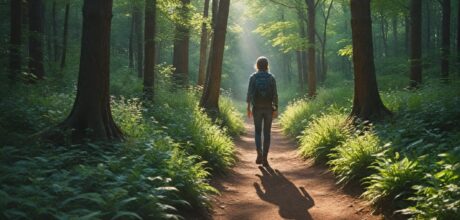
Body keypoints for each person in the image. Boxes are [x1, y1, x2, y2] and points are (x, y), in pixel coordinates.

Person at [246, 56, 278, 167]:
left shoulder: (253, 77)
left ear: (257, 65)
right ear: (267, 65)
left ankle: (259, 152)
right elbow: (275, 94)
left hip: (257, 108)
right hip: (269, 108)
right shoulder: (271, 77)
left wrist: (248, 108)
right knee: (267, 133)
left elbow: (249, 93)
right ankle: (265, 158)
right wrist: (276, 108)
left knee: (258, 132)